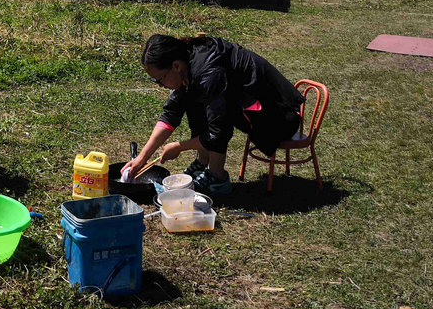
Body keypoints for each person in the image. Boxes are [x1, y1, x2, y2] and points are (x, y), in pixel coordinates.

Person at [123, 34, 306, 195]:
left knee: (210, 108)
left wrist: (179, 147)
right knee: (193, 98)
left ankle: (217, 177)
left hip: (279, 119)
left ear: (175, 65)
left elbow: (218, 133)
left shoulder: (208, 74)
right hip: (261, 113)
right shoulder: (188, 63)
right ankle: (203, 163)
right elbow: (171, 114)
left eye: (161, 80)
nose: (161, 86)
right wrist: (142, 158)